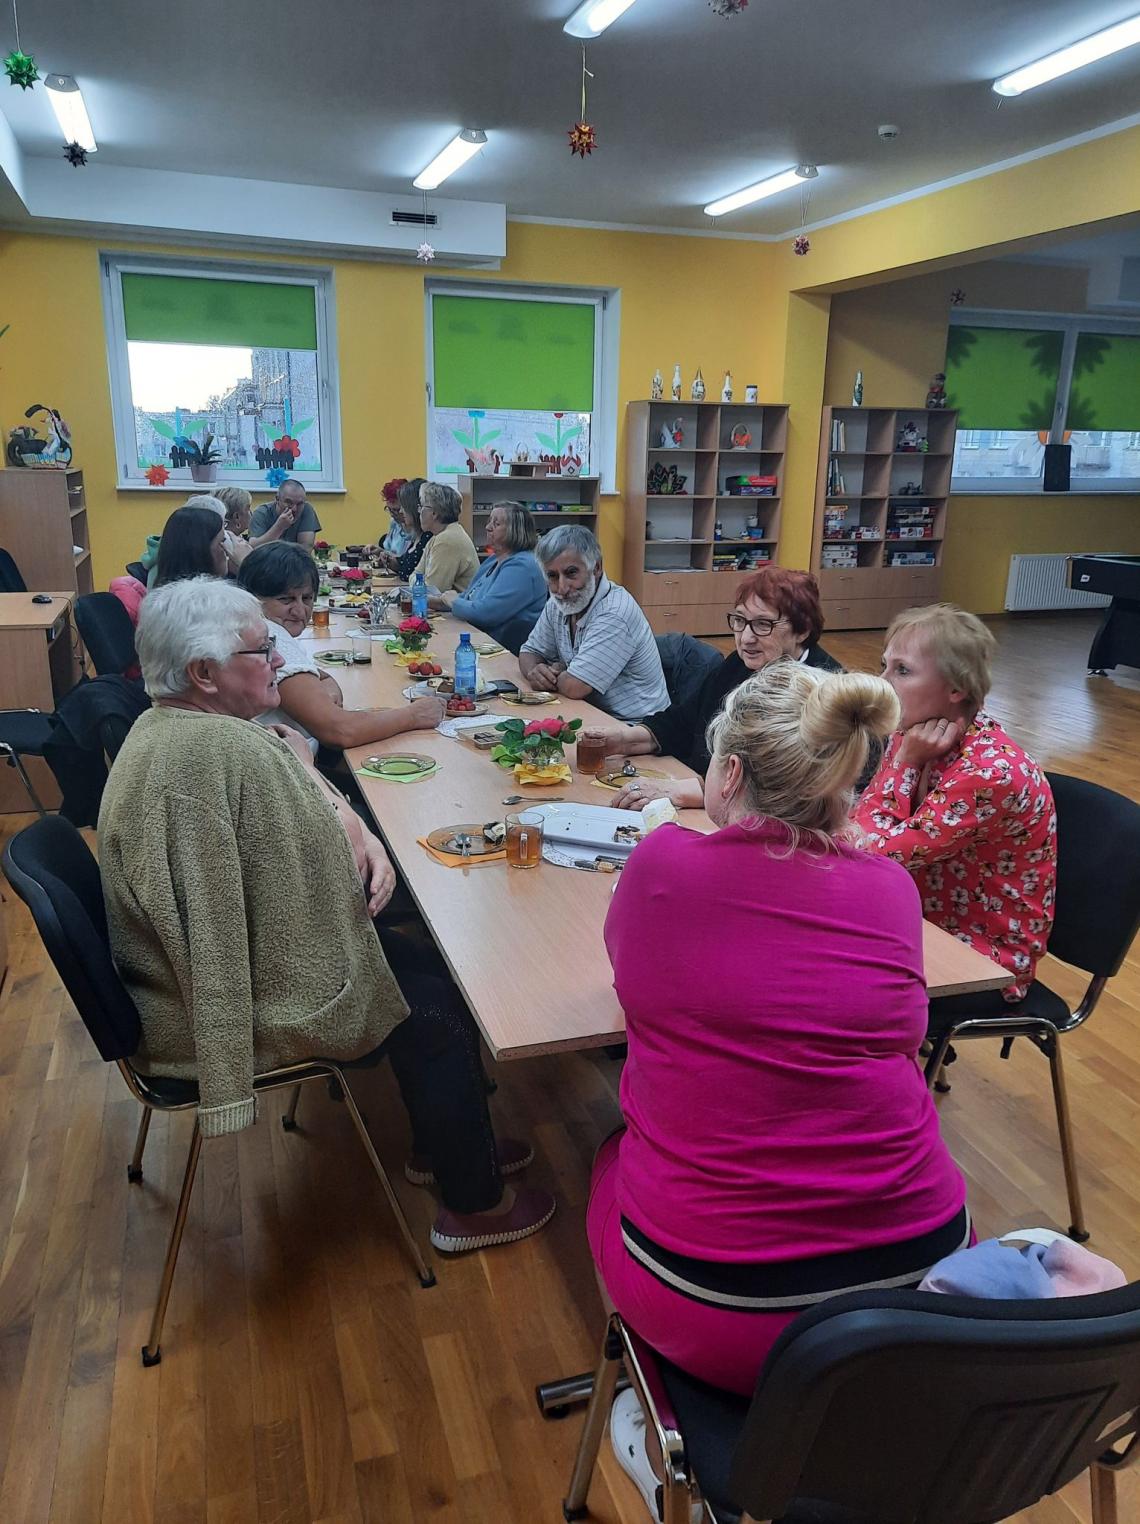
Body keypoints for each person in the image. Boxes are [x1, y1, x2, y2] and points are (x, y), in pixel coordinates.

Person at [589, 662, 971, 1508]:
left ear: (728, 774)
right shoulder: (890, 889)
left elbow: (633, 983)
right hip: (925, 1291)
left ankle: (653, 1425)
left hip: (720, 1307)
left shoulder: (660, 866)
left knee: (608, 1150)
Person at [99, 577, 555, 1252]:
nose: (278, 660)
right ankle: (474, 1206)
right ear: (204, 673)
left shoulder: (177, 730)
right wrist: (353, 835)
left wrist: (340, 811)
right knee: (434, 1008)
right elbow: (223, 926)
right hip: (210, 1012)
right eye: (261, 650)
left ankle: (449, 1146)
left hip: (203, 978)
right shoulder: (213, 756)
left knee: (420, 966)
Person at [852, 604, 1056, 1012]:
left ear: (956, 688)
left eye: (902, 670)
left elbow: (871, 852)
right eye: (884, 666)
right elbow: (866, 829)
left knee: (831, 982)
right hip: (916, 921)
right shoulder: (915, 732)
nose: (883, 682)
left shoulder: (989, 773)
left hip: (982, 959)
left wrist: (904, 763)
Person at [593, 566, 840, 810]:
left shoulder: (825, 694)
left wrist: (677, 791)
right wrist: (623, 740)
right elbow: (685, 722)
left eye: (763, 624)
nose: (746, 638)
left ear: (802, 630)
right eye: (740, 620)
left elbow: (781, 790)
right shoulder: (739, 665)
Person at [237, 542, 445, 748]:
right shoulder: (271, 636)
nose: (300, 610)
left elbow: (315, 677)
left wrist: (326, 683)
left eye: (307, 598)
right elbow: (341, 731)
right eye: (286, 600)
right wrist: (414, 715)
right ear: (252, 598)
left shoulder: (248, 627)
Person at [519, 525, 668, 721]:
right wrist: (535, 672)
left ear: (596, 568)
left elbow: (575, 687)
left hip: (633, 726)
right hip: (587, 712)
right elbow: (528, 651)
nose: (561, 588)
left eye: (571, 573)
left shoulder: (615, 613)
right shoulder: (559, 603)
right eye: (552, 576)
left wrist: (559, 672)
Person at [432, 501, 547, 653]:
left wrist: (453, 601)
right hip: (481, 639)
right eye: (489, 521)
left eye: (496, 524)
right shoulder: (495, 559)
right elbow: (469, 598)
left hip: (503, 648)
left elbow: (485, 614)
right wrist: (434, 601)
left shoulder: (522, 567)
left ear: (516, 530)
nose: (488, 527)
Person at [411, 482, 479, 595]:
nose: (419, 511)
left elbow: (432, 591)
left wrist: (418, 583)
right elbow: (415, 575)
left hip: (455, 606)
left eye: (421, 507)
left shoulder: (447, 540)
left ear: (434, 513)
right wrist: (419, 582)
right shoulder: (437, 537)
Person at [152, 503, 229, 587]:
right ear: (201, 551)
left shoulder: (160, 591)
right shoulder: (215, 594)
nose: (227, 550)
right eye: (222, 541)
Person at [376, 477, 429, 579]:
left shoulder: (427, 537)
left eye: (400, 509)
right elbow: (404, 565)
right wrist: (388, 559)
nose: (399, 512)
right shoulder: (417, 536)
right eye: (389, 509)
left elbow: (414, 575)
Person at [248, 478, 321, 549]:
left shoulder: (306, 509)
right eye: (289, 502)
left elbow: (306, 548)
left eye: (299, 504)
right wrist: (279, 527)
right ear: (277, 499)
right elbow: (253, 548)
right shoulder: (262, 513)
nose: (294, 509)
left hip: (295, 557)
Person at [214, 485, 254, 569]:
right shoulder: (228, 548)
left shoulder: (217, 538)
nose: (252, 513)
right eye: (248, 509)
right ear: (237, 517)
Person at [379, 477, 413, 559]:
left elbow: (407, 560)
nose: (392, 514)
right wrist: (379, 551)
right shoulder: (395, 523)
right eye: (389, 509)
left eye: (396, 510)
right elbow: (388, 550)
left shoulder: (418, 529)